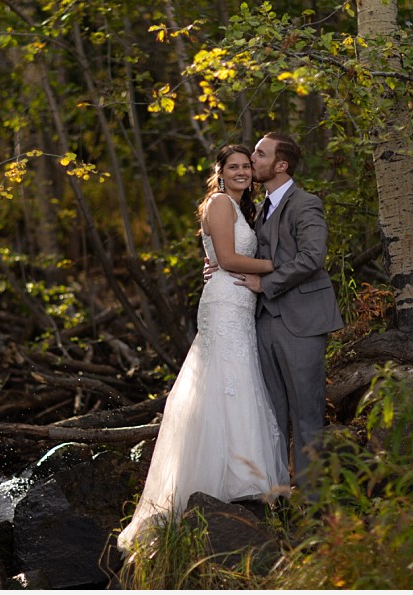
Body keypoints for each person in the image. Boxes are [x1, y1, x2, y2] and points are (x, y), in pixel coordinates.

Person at [116, 145, 289, 556]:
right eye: (234, 167)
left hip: (238, 301)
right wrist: (277, 265)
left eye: (248, 166)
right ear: (221, 172)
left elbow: (222, 257)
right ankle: (219, 482)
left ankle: (243, 477)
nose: (243, 172)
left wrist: (242, 265)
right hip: (226, 302)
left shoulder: (238, 207)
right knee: (226, 381)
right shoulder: (219, 203)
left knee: (239, 380)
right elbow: (228, 258)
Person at [224, 131, 344, 491]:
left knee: (306, 415)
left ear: (281, 165)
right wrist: (220, 265)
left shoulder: (305, 203)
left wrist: (267, 284)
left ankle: (312, 504)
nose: (251, 161)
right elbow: (250, 256)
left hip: (302, 322)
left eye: (259, 155)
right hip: (263, 322)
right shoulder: (260, 209)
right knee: (271, 415)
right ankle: (277, 492)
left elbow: (312, 257)